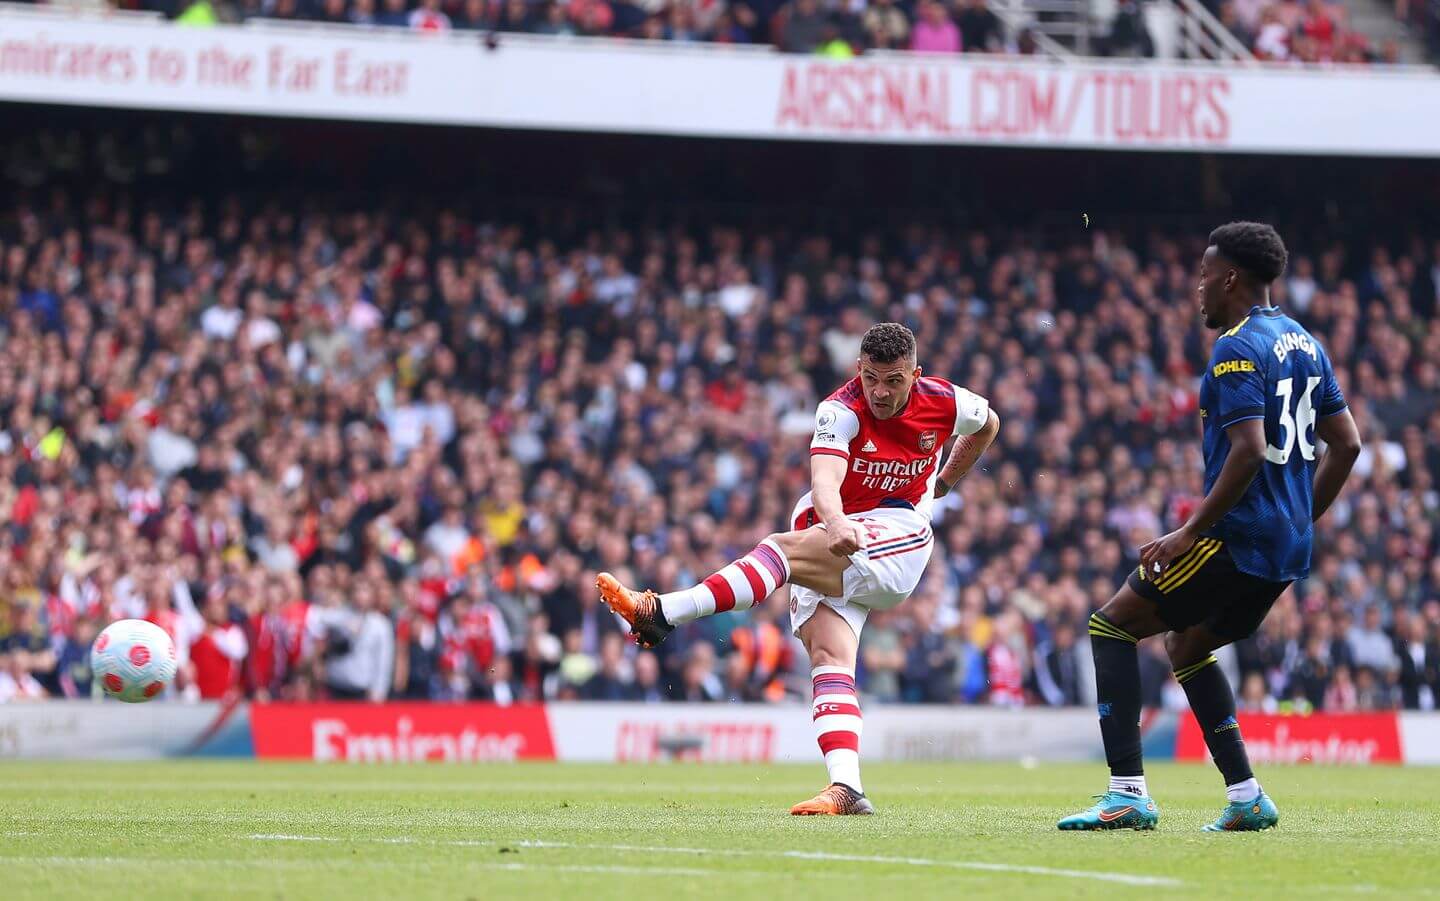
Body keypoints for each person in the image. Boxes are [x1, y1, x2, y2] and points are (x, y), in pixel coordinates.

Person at [598, 322, 999, 815]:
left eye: (894, 380)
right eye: (871, 377)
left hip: (899, 536)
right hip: (837, 531)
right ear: (859, 369)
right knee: (830, 661)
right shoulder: (839, 409)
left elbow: (988, 424)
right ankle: (847, 788)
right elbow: (824, 479)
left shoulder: (947, 401)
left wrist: (945, 482)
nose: (880, 391)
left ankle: (662, 612)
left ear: (914, 375)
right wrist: (834, 522)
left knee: (780, 552)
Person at [1058, 222, 1361, 833]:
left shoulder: (1237, 347)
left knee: (1110, 625)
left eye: (1203, 275)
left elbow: (1248, 451)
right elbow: (1347, 444)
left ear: (1229, 279)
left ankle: (1127, 794)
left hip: (1239, 536)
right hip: (1286, 544)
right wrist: (1300, 516)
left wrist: (1189, 531)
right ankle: (1246, 796)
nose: (1197, 288)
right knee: (1188, 644)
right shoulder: (1307, 343)